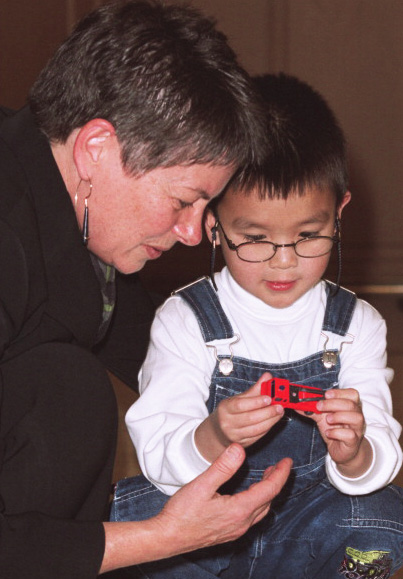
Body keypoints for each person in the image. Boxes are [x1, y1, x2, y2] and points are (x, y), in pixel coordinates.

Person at [0, 2, 295, 577]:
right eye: (184, 200)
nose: (192, 233)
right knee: (69, 393)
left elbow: (161, 347)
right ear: (96, 148)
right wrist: (159, 538)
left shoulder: (58, 194)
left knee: (67, 386)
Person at [116, 74, 403, 578]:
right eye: (254, 238)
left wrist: (356, 451)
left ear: (340, 213)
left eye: (309, 235)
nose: (283, 262)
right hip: (202, 524)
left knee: (381, 518)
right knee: (128, 511)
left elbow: (378, 460)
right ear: (212, 224)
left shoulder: (356, 325)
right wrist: (213, 434)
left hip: (305, 527)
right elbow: (158, 455)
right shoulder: (185, 320)